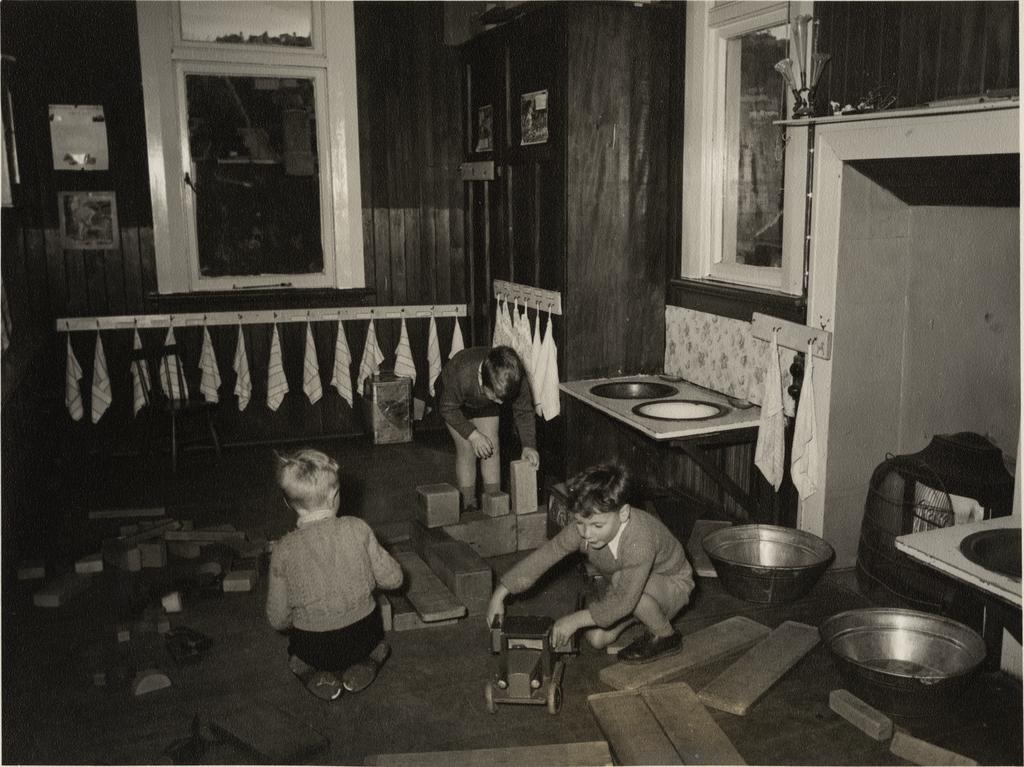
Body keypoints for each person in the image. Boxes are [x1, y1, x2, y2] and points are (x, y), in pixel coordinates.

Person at [486, 462, 694, 664]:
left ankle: (666, 635)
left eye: (597, 525)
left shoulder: (639, 540)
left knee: (620, 591)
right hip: (631, 586)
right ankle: (644, 615)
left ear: (623, 513)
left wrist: (575, 620)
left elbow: (624, 599)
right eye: (580, 522)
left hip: (673, 584)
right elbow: (548, 554)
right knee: (596, 639)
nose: (587, 533)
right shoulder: (587, 526)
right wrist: (501, 593)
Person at [266, 448, 403, 700]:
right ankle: (370, 659)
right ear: (333, 495)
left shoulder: (283, 549)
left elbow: (278, 619)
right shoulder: (358, 528)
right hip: (362, 638)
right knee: (376, 639)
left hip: (313, 648)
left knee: (297, 651)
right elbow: (394, 580)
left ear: (288, 502)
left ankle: (306, 669)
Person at [437, 345, 539, 512]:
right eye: (497, 397)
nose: (501, 403)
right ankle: (468, 504)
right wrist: (473, 435)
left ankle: (495, 502)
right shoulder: (463, 374)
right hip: (453, 403)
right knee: (467, 448)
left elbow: (524, 412)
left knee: (491, 447)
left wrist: (528, 445)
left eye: (503, 399)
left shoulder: (515, 379)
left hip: (484, 399)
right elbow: (447, 408)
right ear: (482, 378)